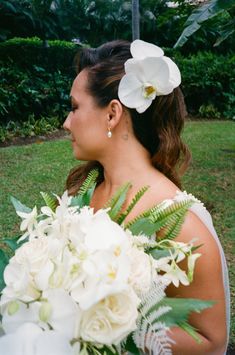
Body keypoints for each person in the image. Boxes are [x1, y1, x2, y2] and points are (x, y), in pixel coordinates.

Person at [63, 39, 230, 354]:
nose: (66, 123)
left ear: (112, 114)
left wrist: (100, 326)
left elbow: (212, 341)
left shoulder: (180, 223)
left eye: (74, 107)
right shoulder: (83, 188)